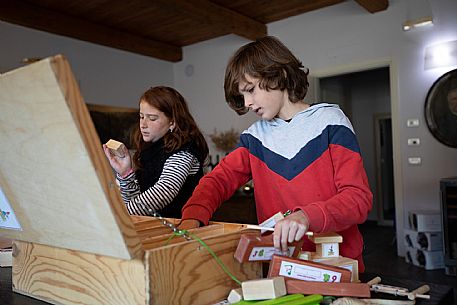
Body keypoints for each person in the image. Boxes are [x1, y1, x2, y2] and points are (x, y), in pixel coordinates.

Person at [179, 36, 372, 271]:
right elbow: (218, 180)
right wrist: (193, 214)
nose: (247, 102)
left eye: (250, 90)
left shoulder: (331, 122)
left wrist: (307, 216)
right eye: (242, 96)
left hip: (336, 265)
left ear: (277, 75)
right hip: (281, 267)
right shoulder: (254, 139)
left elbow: (358, 198)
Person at [103, 86, 209, 218]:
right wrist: (125, 174)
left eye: (152, 118)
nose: (143, 124)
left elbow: (164, 191)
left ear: (172, 122)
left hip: (181, 230)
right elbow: (135, 205)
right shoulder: (148, 149)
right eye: (141, 117)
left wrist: (119, 214)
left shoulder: (185, 151)